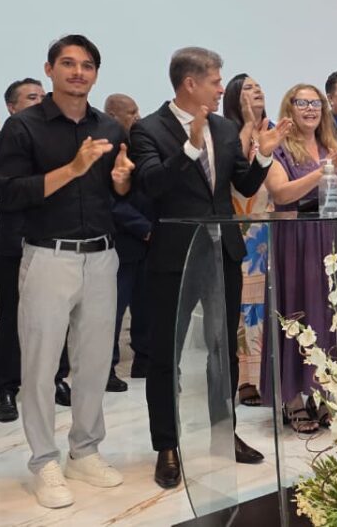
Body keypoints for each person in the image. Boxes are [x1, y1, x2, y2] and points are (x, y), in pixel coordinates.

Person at [129, 47, 291, 490]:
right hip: (174, 258)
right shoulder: (148, 129)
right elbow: (151, 185)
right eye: (216, 81)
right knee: (166, 354)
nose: (222, 89)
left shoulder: (222, 128)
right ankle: (167, 444)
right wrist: (190, 147)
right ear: (190, 83)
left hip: (222, 254)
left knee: (223, 350)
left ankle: (224, 433)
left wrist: (263, 157)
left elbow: (242, 184)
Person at [0, 35, 134, 508]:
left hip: (102, 255)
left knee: (94, 361)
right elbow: (7, 192)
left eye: (87, 65)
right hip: (48, 255)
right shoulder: (23, 127)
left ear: (96, 73)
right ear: (49, 69)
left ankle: (85, 450)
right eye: (68, 63)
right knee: (40, 363)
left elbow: (116, 194)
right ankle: (43, 461)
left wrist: (121, 183)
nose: (78, 72)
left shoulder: (109, 126)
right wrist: (72, 169)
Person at [262, 84, 337, 432]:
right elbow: (281, 193)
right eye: (302, 103)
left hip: (331, 238)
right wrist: (323, 172)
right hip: (295, 240)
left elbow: (336, 190)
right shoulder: (279, 148)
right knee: (298, 311)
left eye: (315, 103)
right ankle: (293, 399)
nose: (310, 109)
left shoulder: (332, 147)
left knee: (327, 314)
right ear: (290, 108)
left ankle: (324, 392)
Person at [0, 78, 73, 424]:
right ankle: (6, 389)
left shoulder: (59, 140)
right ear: (12, 107)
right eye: (31, 97)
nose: (40, 102)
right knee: (11, 318)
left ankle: (56, 378)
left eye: (42, 96)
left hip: (56, 241)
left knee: (57, 317)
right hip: (15, 242)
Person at [221, 73, 276, 406]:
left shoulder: (271, 128)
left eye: (258, 86)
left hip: (269, 225)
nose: (256, 91)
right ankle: (245, 379)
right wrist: (246, 125)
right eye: (247, 88)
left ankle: (268, 372)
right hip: (241, 227)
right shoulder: (228, 131)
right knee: (245, 307)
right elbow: (237, 173)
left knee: (268, 303)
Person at [103, 93, 152, 389]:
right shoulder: (104, 149)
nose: (138, 117)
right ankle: (106, 367)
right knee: (113, 310)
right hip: (120, 242)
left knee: (146, 307)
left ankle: (143, 360)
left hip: (148, 243)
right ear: (113, 115)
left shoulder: (140, 146)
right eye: (131, 112)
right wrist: (143, 227)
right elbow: (109, 201)